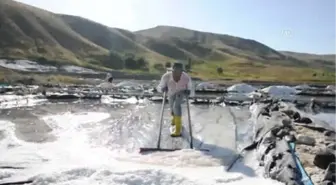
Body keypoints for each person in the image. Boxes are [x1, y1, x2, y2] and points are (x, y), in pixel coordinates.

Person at [157, 61, 192, 137]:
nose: (177, 73)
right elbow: (159, 87)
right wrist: (163, 88)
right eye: (175, 71)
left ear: (181, 72)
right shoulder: (166, 76)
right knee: (172, 107)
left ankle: (178, 130)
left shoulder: (186, 77)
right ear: (172, 70)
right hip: (171, 92)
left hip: (181, 91)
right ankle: (174, 121)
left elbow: (190, 87)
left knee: (176, 106)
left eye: (179, 71)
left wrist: (188, 91)